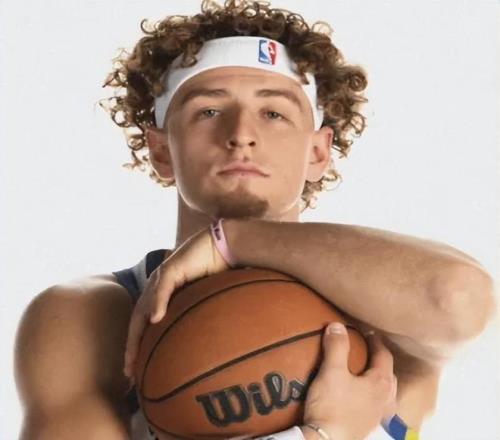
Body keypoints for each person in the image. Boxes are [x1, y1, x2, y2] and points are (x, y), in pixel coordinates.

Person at [14, 1, 495, 439]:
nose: (241, 134)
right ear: (161, 150)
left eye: (273, 113)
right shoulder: (93, 316)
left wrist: (231, 241)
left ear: (318, 152)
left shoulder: (385, 310)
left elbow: (459, 297)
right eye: (209, 110)